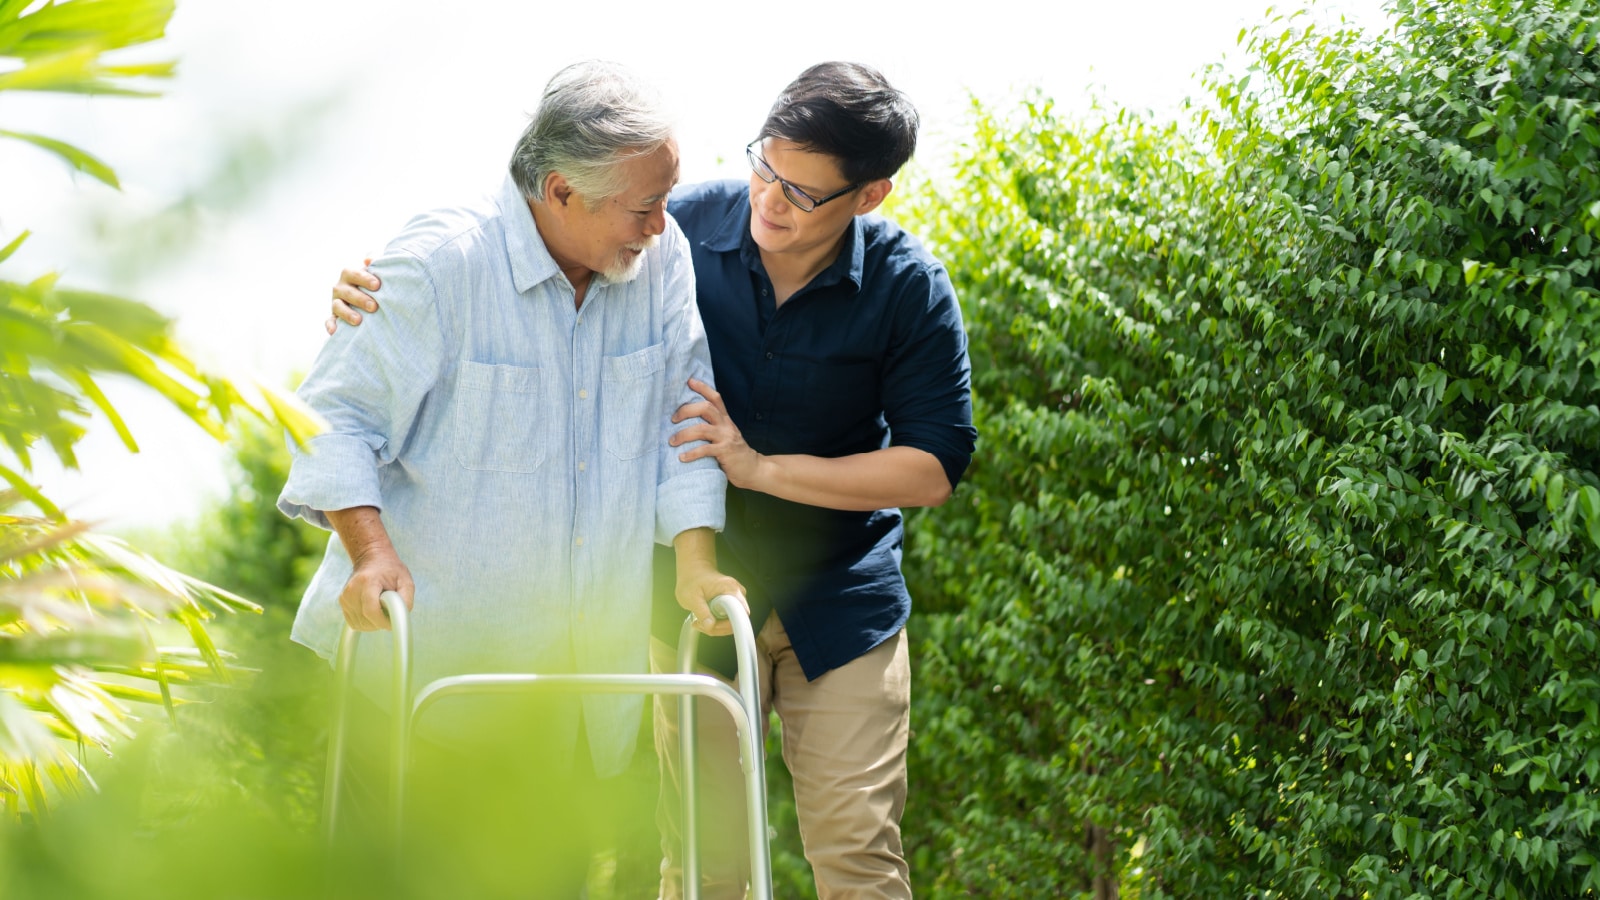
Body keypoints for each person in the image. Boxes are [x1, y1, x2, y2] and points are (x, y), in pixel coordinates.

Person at [331, 62, 976, 900]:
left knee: (857, 855)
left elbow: (932, 466)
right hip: (689, 606)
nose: (771, 202)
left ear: (869, 196)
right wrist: (378, 294)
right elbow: (526, 246)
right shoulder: (672, 233)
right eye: (766, 169)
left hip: (839, 600)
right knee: (709, 864)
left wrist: (760, 469)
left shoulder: (907, 286)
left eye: (805, 194)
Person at [285, 59, 744, 896]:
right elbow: (332, 418)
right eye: (644, 207)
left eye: (664, 202)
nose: (659, 225)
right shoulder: (439, 264)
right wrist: (370, 553)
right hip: (427, 675)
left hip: (572, 694)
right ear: (562, 191)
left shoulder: (660, 259)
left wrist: (693, 558)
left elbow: (687, 411)